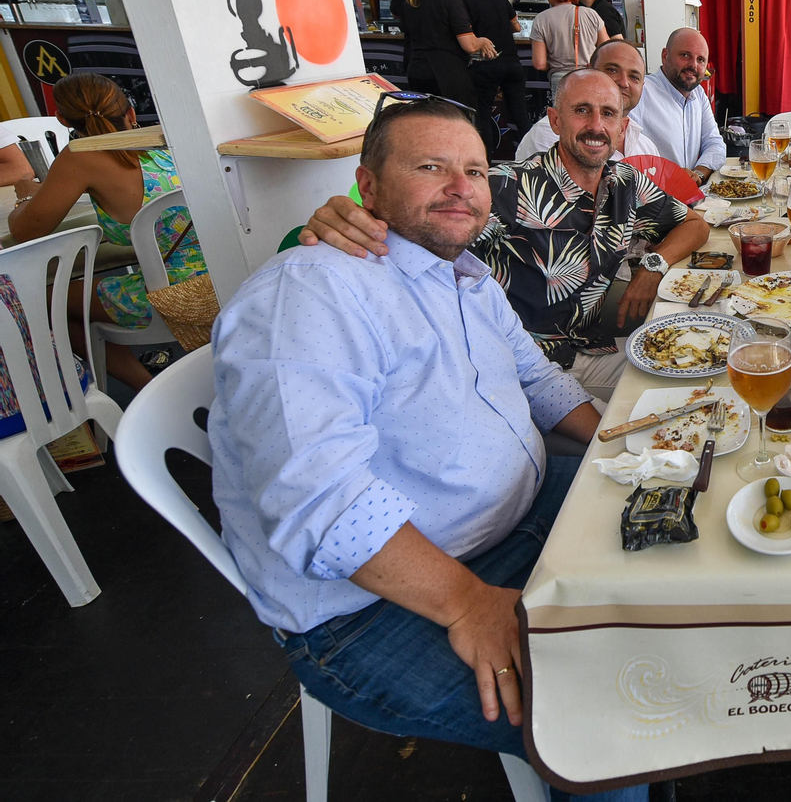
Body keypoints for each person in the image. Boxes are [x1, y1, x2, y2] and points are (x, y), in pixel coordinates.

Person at [209, 96, 640, 802]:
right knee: (605, 723)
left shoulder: (462, 274)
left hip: (519, 523)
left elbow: (535, 378)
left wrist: (628, 445)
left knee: (675, 527)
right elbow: (320, 502)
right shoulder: (313, 291)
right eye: (430, 166)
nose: (459, 186)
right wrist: (468, 603)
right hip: (376, 611)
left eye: (473, 169)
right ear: (367, 186)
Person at [298, 73, 709, 401]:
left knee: (701, 373)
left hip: (589, 347)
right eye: (582, 111)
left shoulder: (625, 183)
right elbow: (411, 233)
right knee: (677, 406)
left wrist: (653, 266)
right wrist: (350, 216)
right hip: (523, 373)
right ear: (555, 120)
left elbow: (695, 224)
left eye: (608, 114)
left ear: (622, 127)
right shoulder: (505, 187)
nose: (596, 126)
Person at [8, 73, 207, 391]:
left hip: (170, 296)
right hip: (223, 278)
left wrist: (27, 195)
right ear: (130, 112)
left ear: (61, 118)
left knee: (39, 300)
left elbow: (25, 231)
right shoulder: (169, 139)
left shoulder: (80, 157)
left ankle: (149, 391)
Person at [515, 38, 660, 161]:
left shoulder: (646, 147)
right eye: (612, 70)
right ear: (589, 70)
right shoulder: (552, 134)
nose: (623, 82)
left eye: (634, 76)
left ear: (643, 84)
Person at [630, 27, 726, 183]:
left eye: (700, 60)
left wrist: (698, 174)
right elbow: (627, 159)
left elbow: (715, 143)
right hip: (654, 201)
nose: (693, 65)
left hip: (693, 200)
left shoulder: (699, 94)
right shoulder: (641, 93)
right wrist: (666, 176)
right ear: (665, 56)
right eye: (685, 55)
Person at [403, 0, 497, 110]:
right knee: (456, 123)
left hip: (417, 71)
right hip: (446, 74)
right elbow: (469, 45)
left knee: (427, 121)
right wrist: (482, 41)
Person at [457, 0, 531, 152]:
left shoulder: (463, 1)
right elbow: (516, 26)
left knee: (482, 117)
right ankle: (534, 158)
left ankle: (486, 165)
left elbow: (463, 33)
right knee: (520, 114)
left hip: (485, 65)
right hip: (512, 62)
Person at [530, 0, 608, 99]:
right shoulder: (591, 14)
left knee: (564, 117)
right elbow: (606, 50)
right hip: (588, 75)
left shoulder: (541, 19)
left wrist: (558, 65)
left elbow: (539, 63)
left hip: (560, 79)